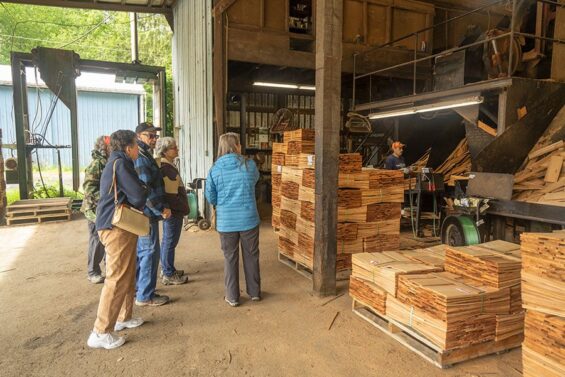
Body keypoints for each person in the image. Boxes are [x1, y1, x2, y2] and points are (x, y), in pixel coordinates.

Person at [87, 130, 148, 350]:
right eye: (136, 145)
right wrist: (144, 187)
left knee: (127, 273)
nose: (138, 150)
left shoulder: (118, 162)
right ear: (127, 147)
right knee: (116, 278)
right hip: (115, 227)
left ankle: (124, 317)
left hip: (120, 226)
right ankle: (100, 332)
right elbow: (138, 196)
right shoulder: (121, 164)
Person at [205, 132, 261, 307]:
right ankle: (254, 292)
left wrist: (222, 203)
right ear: (236, 146)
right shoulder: (249, 165)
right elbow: (255, 181)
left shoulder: (214, 169)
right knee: (251, 255)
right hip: (248, 218)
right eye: (239, 143)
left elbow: (210, 196)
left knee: (230, 258)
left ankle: (232, 296)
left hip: (226, 221)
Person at [134, 122, 172, 307]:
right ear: (139, 136)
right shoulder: (141, 157)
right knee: (149, 252)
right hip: (147, 212)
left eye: (155, 135)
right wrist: (160, 208)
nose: (154, 139)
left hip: (146, 212)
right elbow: (145, 189)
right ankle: (145, 295)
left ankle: (140, 289)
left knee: (143, 252)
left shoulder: (144, 154)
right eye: (150, 135)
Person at [155, 137, 189, 285]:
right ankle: (168, 273)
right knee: (169, 241)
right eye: (174, 148)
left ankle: (168, 268)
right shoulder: (166, 168)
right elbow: (171, 195)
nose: (177, 149)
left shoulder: (168, 165)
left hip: (174, 210)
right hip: (173, 211)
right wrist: (183, 207)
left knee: (169, 241)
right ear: (165, 151)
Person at [80, 136, 110, 284]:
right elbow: (89, 189)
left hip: (105, 208)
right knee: (97, 240)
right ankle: (93, 271)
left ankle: (107, 268)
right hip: (94, 210)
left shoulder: (108, 162)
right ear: (104, 148)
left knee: (106, 239)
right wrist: (106, 200)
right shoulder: (96, 164)